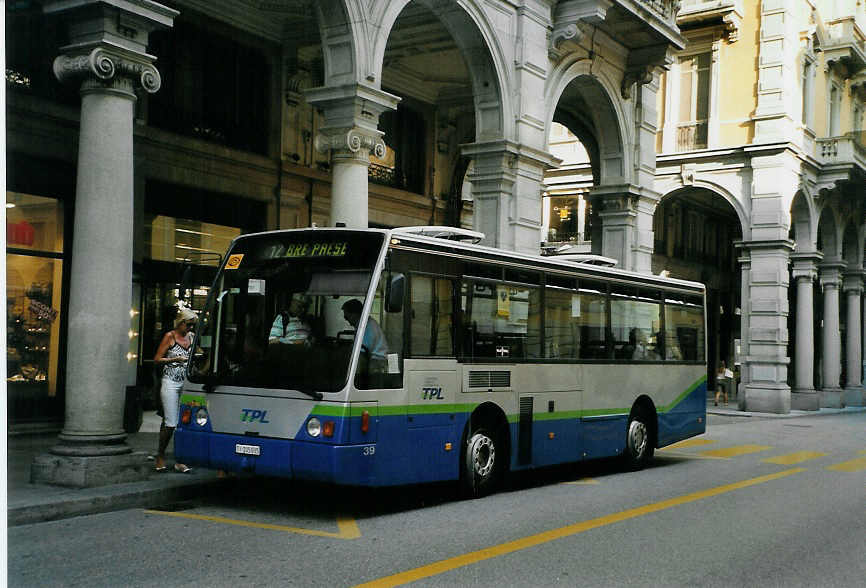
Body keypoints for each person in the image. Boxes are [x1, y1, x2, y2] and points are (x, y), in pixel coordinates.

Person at [153, 307, 196, 473]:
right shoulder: (169, 337)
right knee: (171, 422)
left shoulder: (191, 337)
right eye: (189, 325)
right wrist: (175, 359)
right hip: (170, 382)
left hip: (186, 383)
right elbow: (157, 359)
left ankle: (180, 459)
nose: (191, 329)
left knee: (183, 424)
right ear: (181, 323)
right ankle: (160, 455)